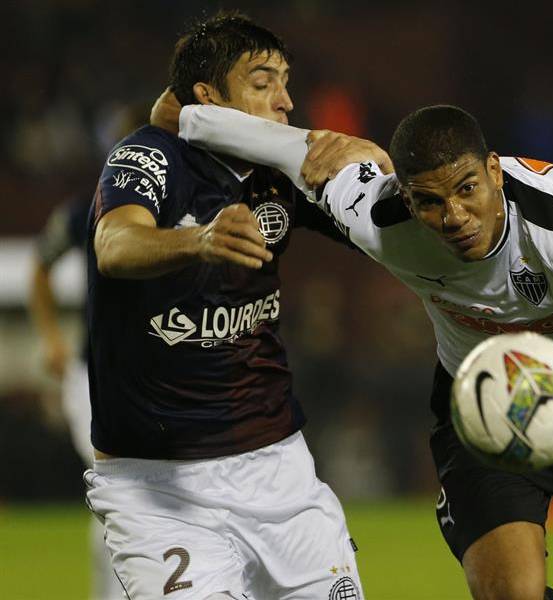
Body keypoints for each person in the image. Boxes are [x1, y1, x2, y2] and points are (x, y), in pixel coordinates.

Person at [171, 102, 553, 600]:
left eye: (467, 189)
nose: (453, 216)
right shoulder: (376, 217)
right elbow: (283, 145)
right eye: (428, 201)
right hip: (485, 407)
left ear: (494, 171)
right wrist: (183, 115)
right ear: (404, 196)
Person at [84, 12, 387, 599]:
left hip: (278, 471)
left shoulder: (280, 171)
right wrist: (199, 239)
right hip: (159, 489)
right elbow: (114, 245)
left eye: (286, 83)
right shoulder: (149, 156)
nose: (285, 100)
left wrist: (364, 161)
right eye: (262, 82)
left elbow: (384, 218)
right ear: (208, 97)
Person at [29, 194, 125, 600]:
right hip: (94, 378)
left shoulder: (180, 198)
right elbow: (40, 265)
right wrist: (51, 338)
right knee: (117, 485)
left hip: (155, 376)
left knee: (124, 491)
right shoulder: (87, 208)